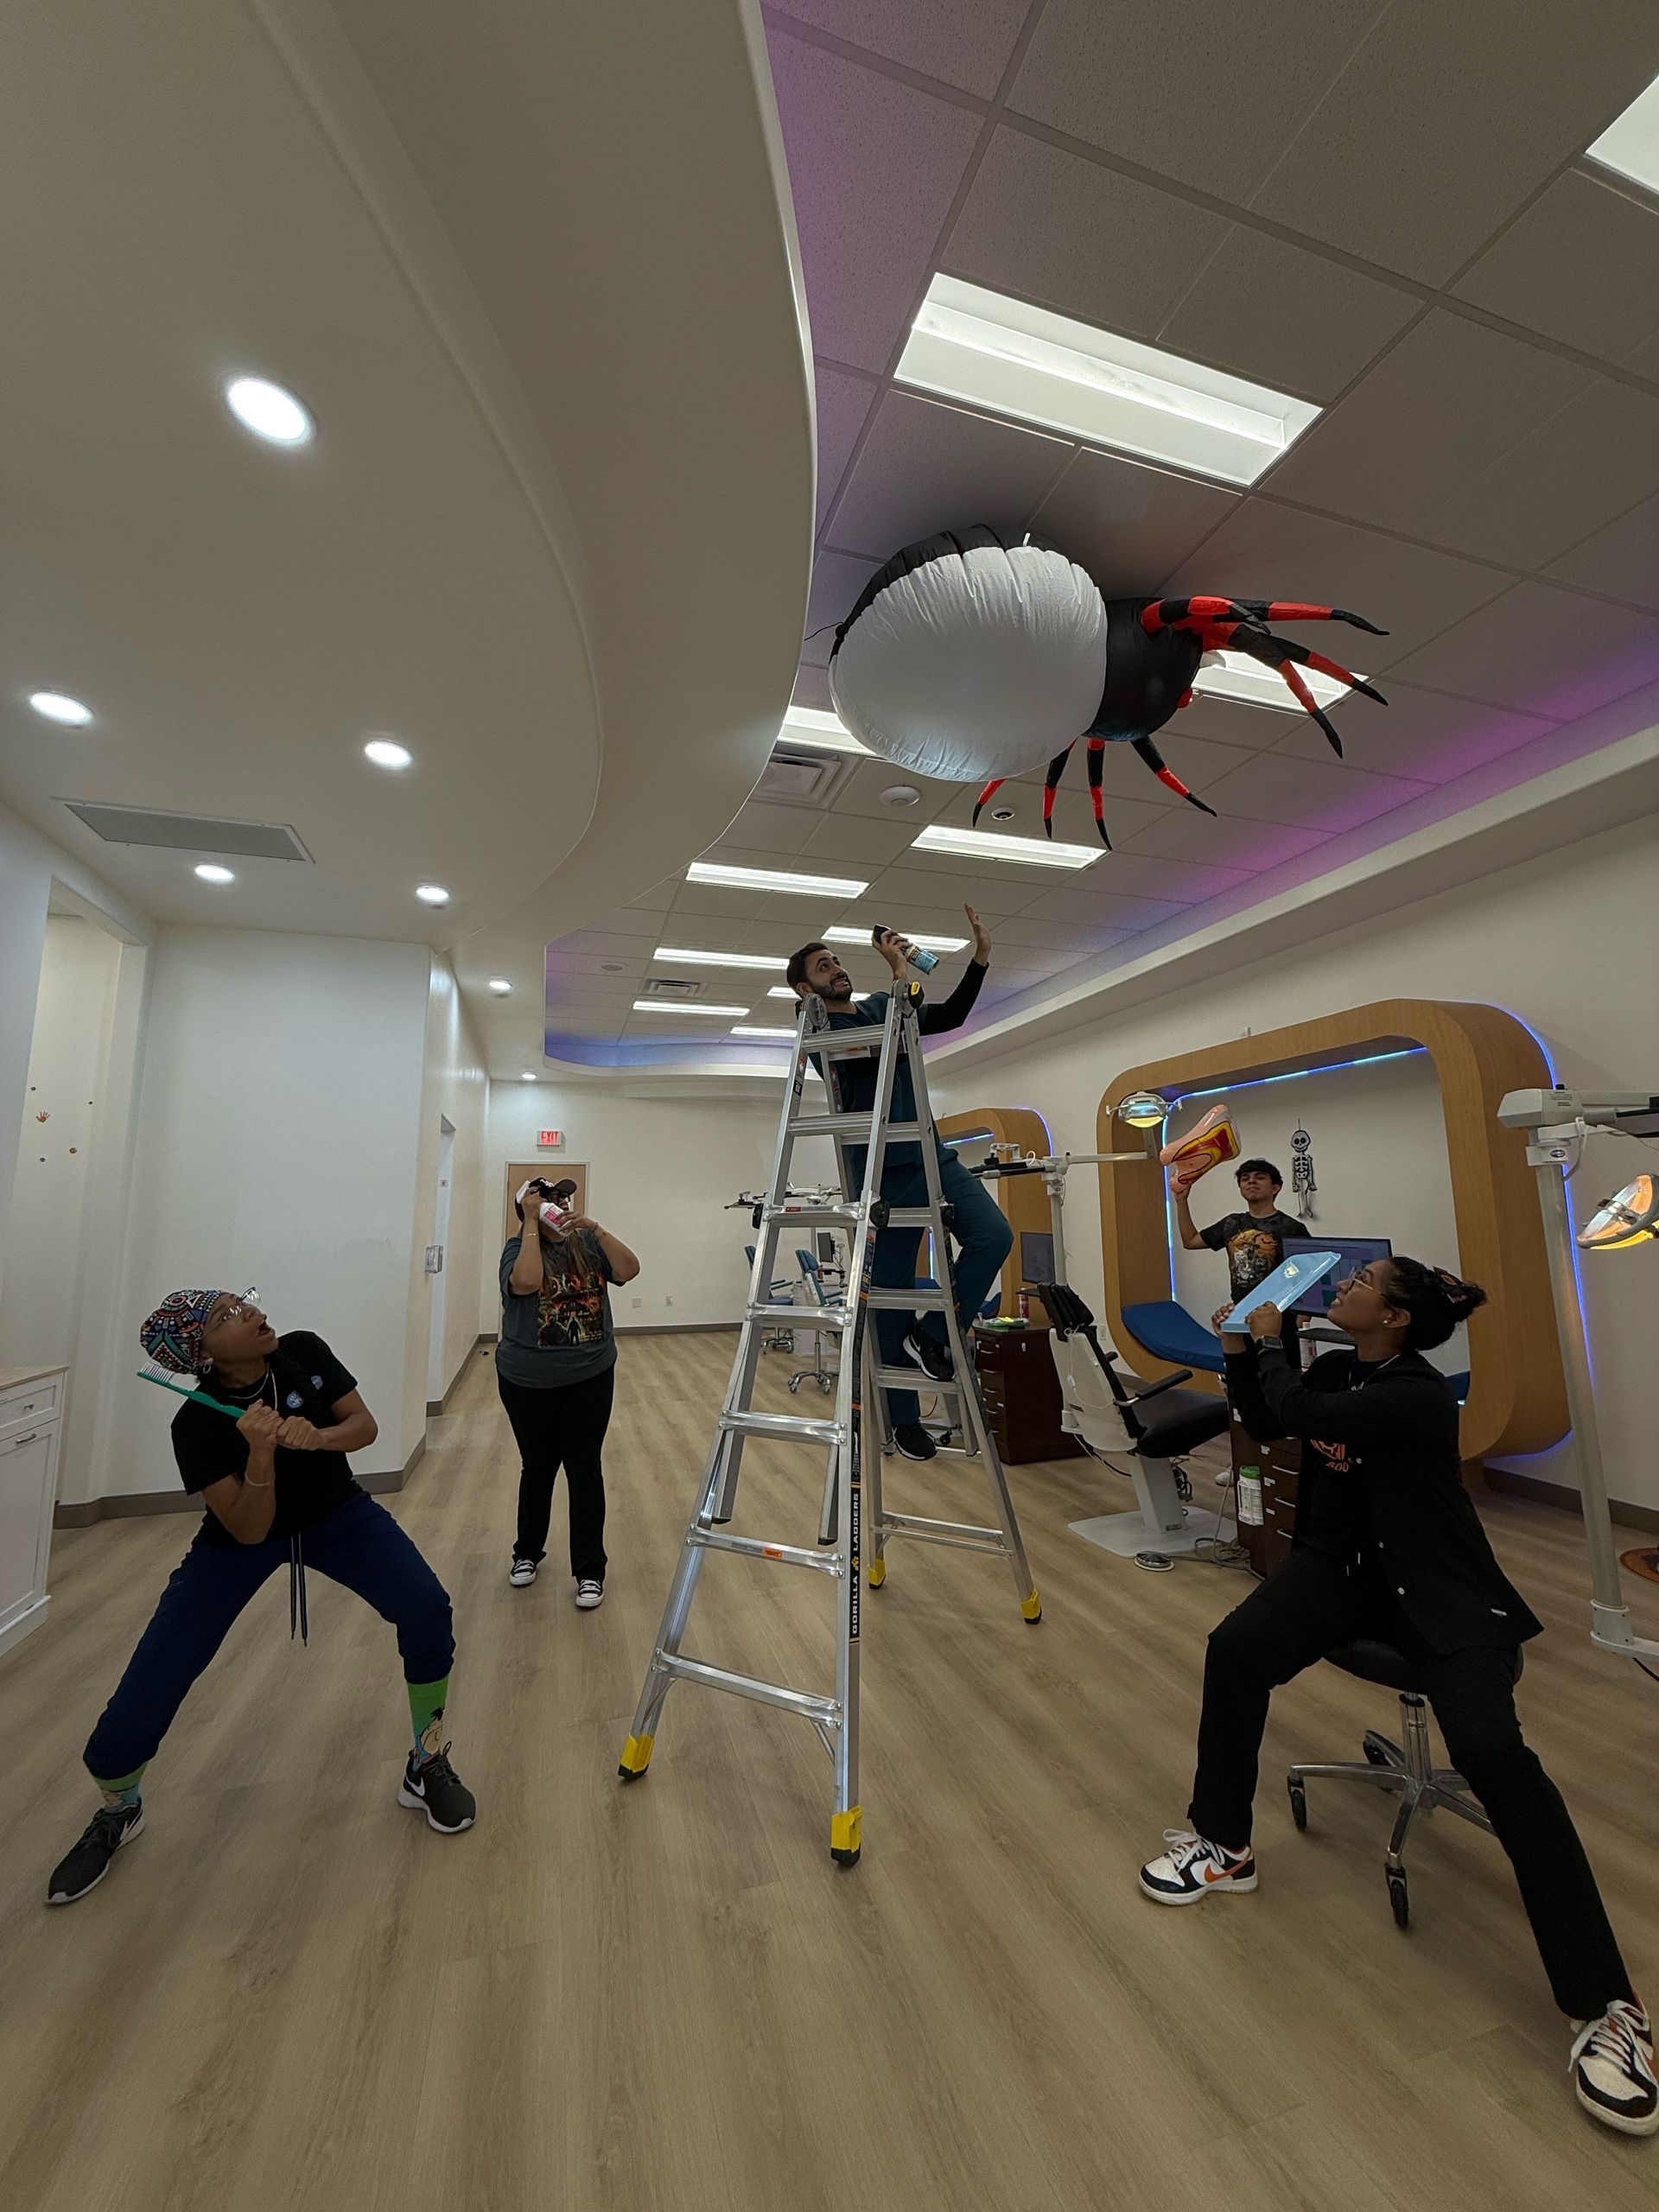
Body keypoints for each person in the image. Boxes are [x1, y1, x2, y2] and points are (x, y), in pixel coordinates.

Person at [1137, 1256, 1655, 2139]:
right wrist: (1239, 1351)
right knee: (1235, 1652)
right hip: (1339, 1573)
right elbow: (1269, 1418)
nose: (1345, 1285)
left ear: (1397, 1317)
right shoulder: (1342, 1367)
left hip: (1443, 1592)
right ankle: (1223, 1844)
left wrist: (1268, 1342)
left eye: (1364, 1281)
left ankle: (1609, 2007)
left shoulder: (1416, 1394)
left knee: (1493, 1754)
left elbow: (1309, 1415)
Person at [48, 1287, 474, 1906]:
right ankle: (119, 1806)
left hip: (336, 1515)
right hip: (236, 1541)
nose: (252, 1312)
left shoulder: (302, 1352)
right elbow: (249, 1528)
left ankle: (425, 1761)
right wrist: (260, 1454)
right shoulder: (195, 1423)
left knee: (426, 1606)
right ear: (202, 1354)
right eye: (227, 1315)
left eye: (243, 1300)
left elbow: (363, 1426)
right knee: (158, 1670)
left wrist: (318, 1438)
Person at [787, 905, 1011, 1461]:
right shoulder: (819, 1028)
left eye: (837, 960)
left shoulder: (880, 1004)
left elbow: (952, 1014)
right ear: (805, 988)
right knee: (889, 1297)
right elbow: (878, 1046)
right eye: (823, 966)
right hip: (882, 1173)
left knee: (994, 1236)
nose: (837, 968)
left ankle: (933, 1335)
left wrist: (980, 959)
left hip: (932, 1155)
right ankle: (904, 1418)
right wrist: (899, 978)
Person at [499, 1181, 640, 1604]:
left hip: (589, 1375)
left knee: (584, 1468)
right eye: (549, 1200)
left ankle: (590, 1570)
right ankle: (527, 1554)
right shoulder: (516, 1248)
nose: (560, 1205)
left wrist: (594, 1227)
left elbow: (629, 1269)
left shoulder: (588, 1245)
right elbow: (526, 1283)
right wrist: (530, 1223)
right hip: (528, 1380)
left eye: (563, 1199)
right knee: (538, 1467)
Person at [1175, 1155, 1302, 1354]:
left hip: (1279, 1320)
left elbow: (1308, 1277)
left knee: (1278, 1371)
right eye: (1245, 1178)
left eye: (1260, 1177)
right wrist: (1181, 1201)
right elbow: (1190, 1241)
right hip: (1239, 1317)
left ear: (1275, 1188)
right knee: (1242, 1370)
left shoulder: (1292, 1228)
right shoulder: (1231, 1223)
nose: (1251, 1181)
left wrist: (1302, 1321)